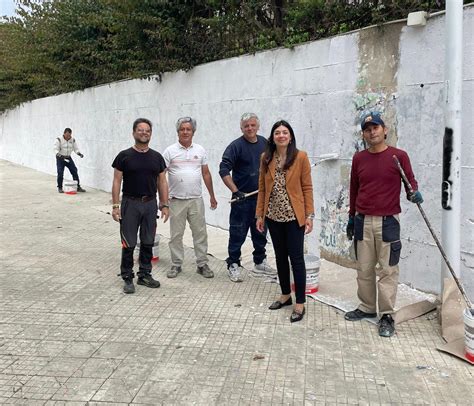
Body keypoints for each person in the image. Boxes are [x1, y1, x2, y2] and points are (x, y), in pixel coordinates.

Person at [345, 111, 423, 337]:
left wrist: (414, 193)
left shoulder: (398, 156)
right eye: (368, 129)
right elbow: (354, 188)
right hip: (362, 220)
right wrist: (351, 217)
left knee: (388, 270)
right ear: (364, 134)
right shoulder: (359, 158)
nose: (372, 131)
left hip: (388, 221)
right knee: (364, 268)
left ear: (384, 130)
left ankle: (387, 315)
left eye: (376, 127)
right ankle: (367, 307)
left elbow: (410, 183)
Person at [256, 120, 315, 323]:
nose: (281, 135)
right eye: (277, 132)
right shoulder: (266, 158)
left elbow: (307, 187)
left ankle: (300, 302)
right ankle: (285, 295)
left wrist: (309, 215)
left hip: (293, 216)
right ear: (273, 137)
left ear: (290, 136)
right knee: (280, 257)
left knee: (296, 259)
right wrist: (259, 215)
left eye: (285, 132)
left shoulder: (300, 157)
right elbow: (262, 188)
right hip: (273, 216)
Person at [111, 118, 170, 294]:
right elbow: (116, 181)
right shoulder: (124, 156)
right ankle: (127, 277)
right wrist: (115, 205)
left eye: (147, 131)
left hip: (150, 204)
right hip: (130, 203)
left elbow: (162, 181)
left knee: (148, 241)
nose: (144, 133)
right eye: (140, 130)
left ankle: (144, 274)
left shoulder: (157, 157)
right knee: (128, 242)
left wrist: (164, 204)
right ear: (134, 132)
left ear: (150, 134)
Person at [219, 113, 276, 282]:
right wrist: (236, 191)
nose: (250, 128)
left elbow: (273, 166)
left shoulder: (265, 144)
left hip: (261, 199)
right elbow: (223, 170)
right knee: (237, 233)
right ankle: (233, 263)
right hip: (242, 200)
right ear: (241, 128)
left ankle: (259, 261)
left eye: (252, 125)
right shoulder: (235, 146)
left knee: (260, 232)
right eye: (246, 126)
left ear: (257, 126)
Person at [162, 117, 217, 279]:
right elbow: (161, 176)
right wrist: (163, 200)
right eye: (182, 129)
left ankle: (202, 264)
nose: (185, 132)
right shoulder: (169, 151)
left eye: (188, 129)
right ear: (178, 131)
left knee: (200, 233)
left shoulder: (200, 150)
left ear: (193, 132)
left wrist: (212, 196)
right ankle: (176, 264)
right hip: (176, 200)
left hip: (196, 200)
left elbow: (206, 173)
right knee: (176, 235)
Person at [54, 128, 86, 193]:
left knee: (74, 171)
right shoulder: (59, 140)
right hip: (61, 158)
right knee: (60, 173)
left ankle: (77, 186)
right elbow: (55, 149)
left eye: (70, 135)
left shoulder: (72, 140)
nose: (68, 137)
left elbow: (75, 148)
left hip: (68, 158)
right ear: (64, 133)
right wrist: (58, 154)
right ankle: (60, 187)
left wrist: (79, 154)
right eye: (67, 135)